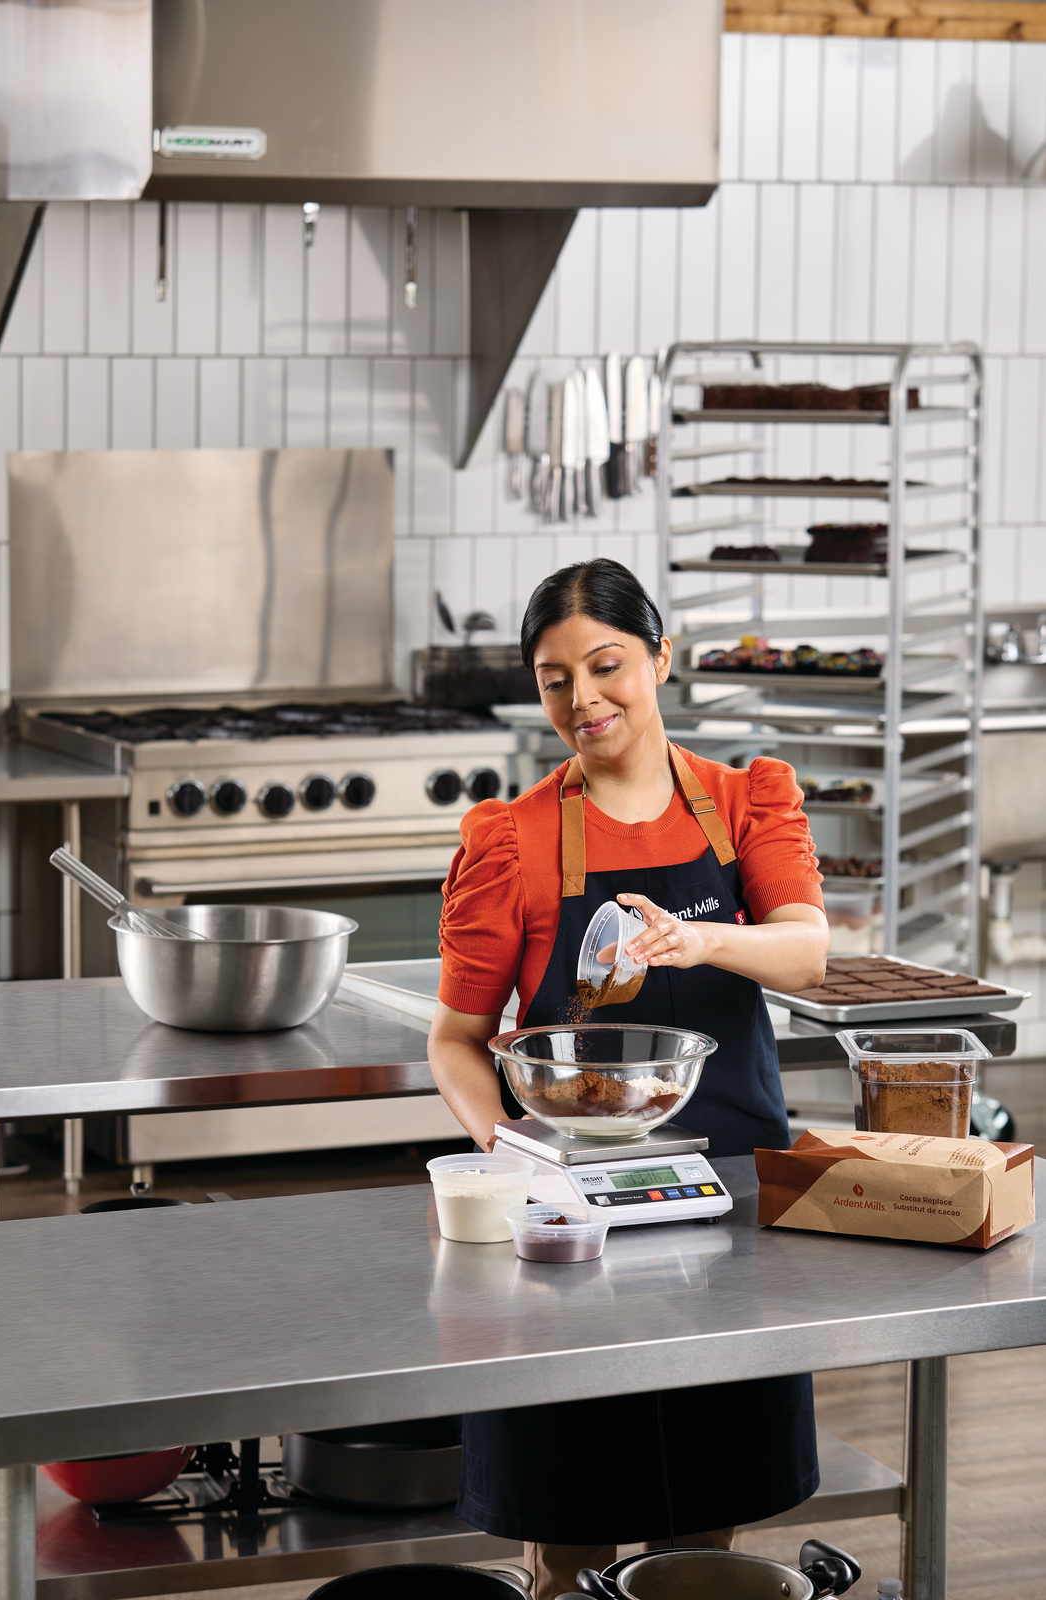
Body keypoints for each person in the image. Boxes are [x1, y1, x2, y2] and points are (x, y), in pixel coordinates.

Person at [428, 559, 829, 1600]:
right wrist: (503, 1150)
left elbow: (802, 951)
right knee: (564, 1524)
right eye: (553, 678)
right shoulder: (507, 840)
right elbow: (457, 1040)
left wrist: (701, 948)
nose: (582, 699)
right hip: (565, 1213)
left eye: (605, 666)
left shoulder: (746, 801)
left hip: (728, 1193)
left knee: (704, 1523)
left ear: (660, 658)